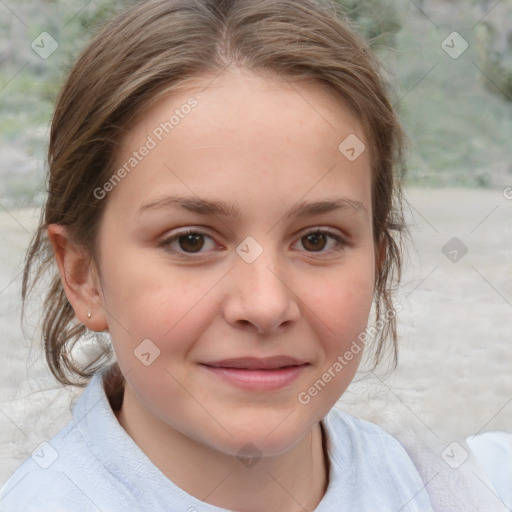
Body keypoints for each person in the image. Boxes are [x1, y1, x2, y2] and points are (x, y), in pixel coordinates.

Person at [0, 0, 434, 510]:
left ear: (377, 262)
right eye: (191, 241)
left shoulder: (433, 489)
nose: (266, 305)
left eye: (317, 239)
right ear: (83, 275)